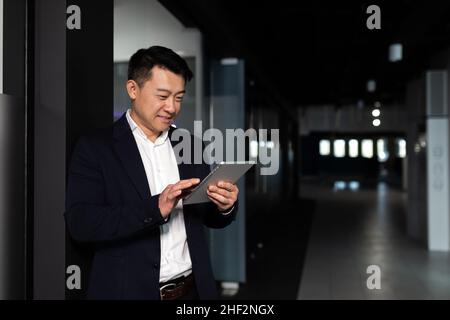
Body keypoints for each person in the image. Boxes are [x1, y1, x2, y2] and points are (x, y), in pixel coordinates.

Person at [64, 46, 239, 300]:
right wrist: (155, 208)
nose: (172, 107)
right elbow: (81, 223)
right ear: (133, 89)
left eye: (179, 97)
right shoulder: (96, 148)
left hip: (193, 292)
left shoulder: (191, 145)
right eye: (163, 96)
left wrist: (225, 206)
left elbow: (208, 217)